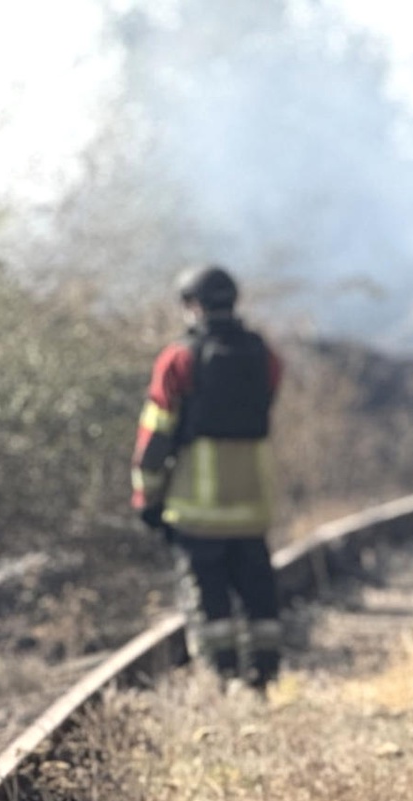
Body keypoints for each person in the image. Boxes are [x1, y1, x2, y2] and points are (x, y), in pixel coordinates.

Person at [131, 265, 284, 689]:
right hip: (252, 506)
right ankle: (263, 679)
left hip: (196, 509)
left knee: (208, 599)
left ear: (191, 306)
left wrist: (147, 498)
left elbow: (155, 438)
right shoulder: (264, 356)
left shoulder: (179, 359)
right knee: (258, 596)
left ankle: (223, 679)